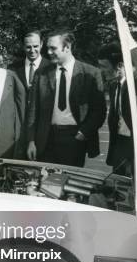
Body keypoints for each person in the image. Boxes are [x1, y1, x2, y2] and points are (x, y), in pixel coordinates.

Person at [26, 30, 105, 167]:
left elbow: (99, 110)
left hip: (74, 139)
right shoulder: (42, 74)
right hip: (46, 139)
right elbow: (33, 109)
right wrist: (31, 141)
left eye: (53, 48)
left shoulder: (90, 74)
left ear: (67, 47)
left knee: (69, 182)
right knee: (46, 182)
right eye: (48, 48)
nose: (49, 52)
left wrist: (83, 133)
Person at [98, 38, 137, 183]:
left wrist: (132, 46)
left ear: (119, 65)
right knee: (119, 192)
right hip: (121, 147)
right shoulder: (114, 86)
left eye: (103, 66)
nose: (101, 70)